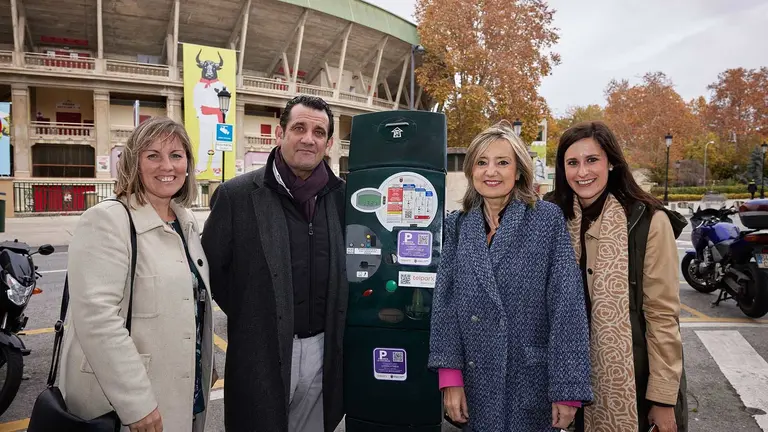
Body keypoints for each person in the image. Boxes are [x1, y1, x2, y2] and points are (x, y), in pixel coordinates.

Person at [428, 121, 593, 431]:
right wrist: (450, 376)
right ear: (471, 171)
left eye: (502, 162)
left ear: (518, 171)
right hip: (475, 381)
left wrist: (568, 391)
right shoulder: (459, 225)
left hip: (530, 379)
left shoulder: (545, 220)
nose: (491, 171)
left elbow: (566, 307)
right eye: (482, 162)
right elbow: (445, 305)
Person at [59, 117, 215, 431]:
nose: (166, 166)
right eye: (152, 155)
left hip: (181, 387)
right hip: (131, 403)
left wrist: (200, 363)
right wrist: (137, 404)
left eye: (176, 155)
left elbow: (191, 303)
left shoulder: (185, 223)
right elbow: (99, 322)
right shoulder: (107, 220)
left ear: (187, 164)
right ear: (134, 163)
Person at [202, 95, 347, 432]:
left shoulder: (341, 197)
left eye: (318, 132)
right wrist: (255, 313)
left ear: (329, 143)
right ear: (280, 134)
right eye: (299, 128)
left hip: (324, 352)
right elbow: (209, 273)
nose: (308, 138)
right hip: (262, 351)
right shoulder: (236, 195)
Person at [548, 121, 688, 432]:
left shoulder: (649, 221)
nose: (582, 172)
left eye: (592, 160)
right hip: (562, 379)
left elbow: (662, 314)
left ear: (611, 162)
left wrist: (663, 399)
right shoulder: (552, 217)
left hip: (631, 381)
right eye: (572, 162)